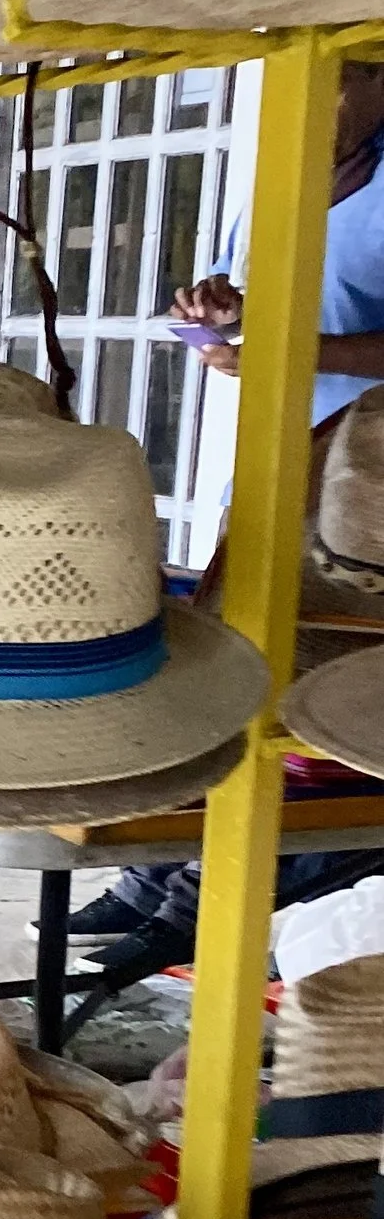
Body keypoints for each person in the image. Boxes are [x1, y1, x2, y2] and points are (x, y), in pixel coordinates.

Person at [72, 59, 384, 957]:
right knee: (230, 675)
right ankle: (157, 873)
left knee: (312, 698)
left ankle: (203, 898)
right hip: (272, 469)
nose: (318, 98)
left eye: (343, 78)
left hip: (361, 499)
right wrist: (217, 307)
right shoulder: (285, 176)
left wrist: (296, 348)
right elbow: (239, 292)